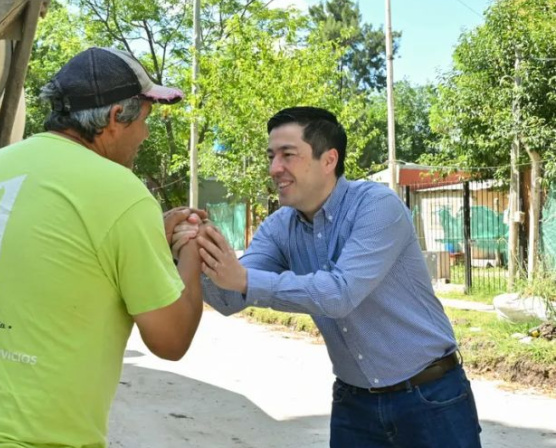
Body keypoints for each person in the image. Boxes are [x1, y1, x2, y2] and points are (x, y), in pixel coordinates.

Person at [0, 47, 206, 448]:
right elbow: (171, 339)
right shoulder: (120, 193)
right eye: (145, 121)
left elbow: (55, 254)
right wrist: (191, 250)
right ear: (116, 118)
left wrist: (150, 234)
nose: (145, 134)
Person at [174, 106, 482, 448]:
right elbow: (229, 297)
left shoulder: (377, 206)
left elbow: (340, 293)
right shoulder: (280, 227)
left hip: (430, 397)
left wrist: (243, 279)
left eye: (288, 155)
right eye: (271, 156)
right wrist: (191, 251)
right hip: (355, 405)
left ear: (329, 160)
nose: (275, 168)